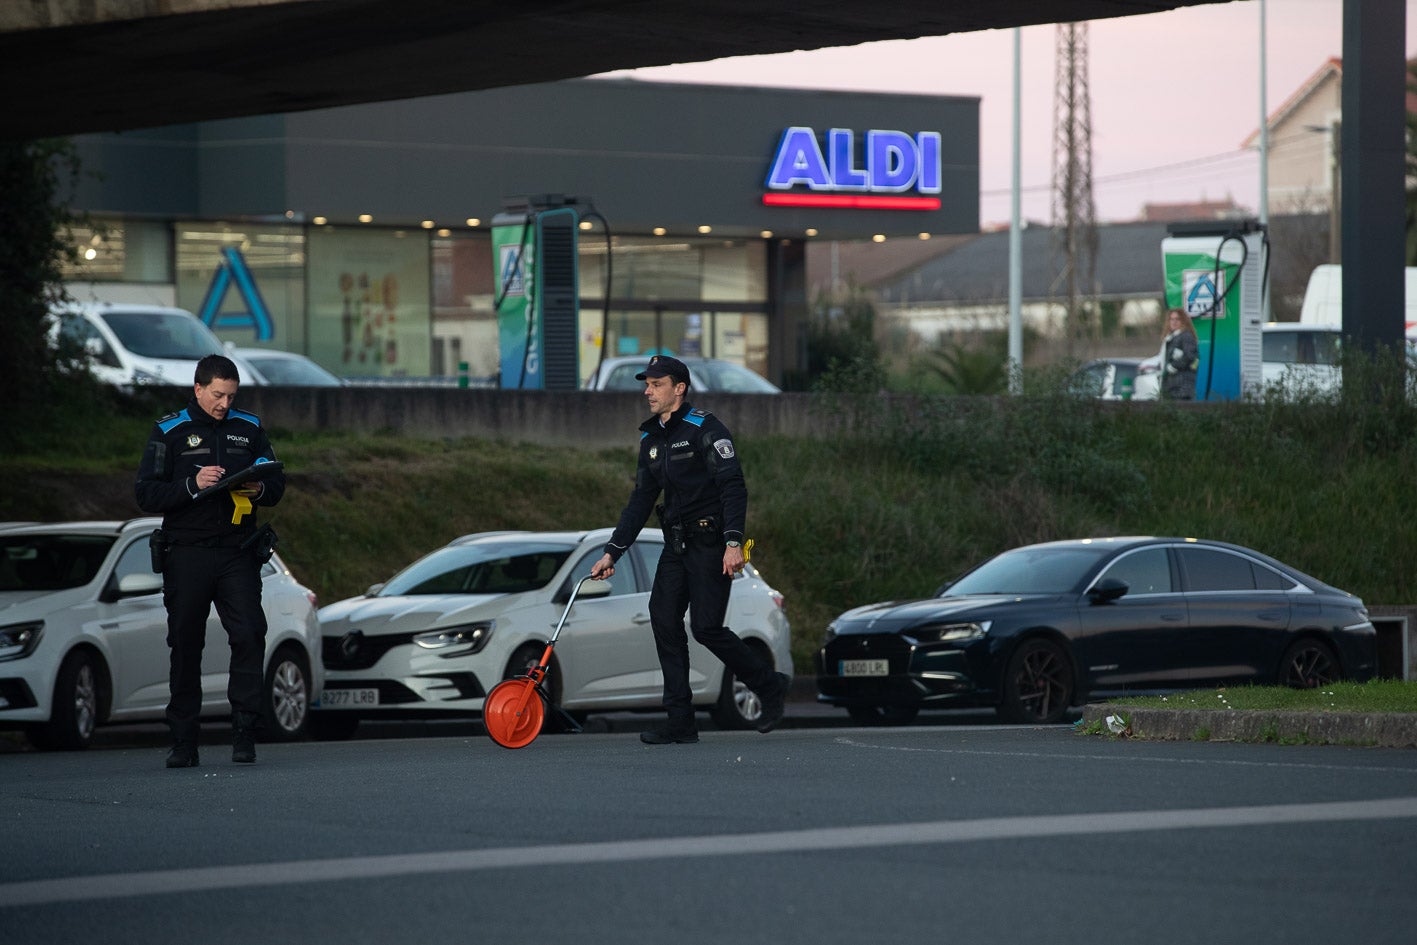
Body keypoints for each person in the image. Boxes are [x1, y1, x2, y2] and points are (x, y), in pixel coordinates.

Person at [589, 354, 790, 744]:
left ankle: (769, 685)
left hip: (712, 543)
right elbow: (641, 500)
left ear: (679, 388)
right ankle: (680, 720)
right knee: (663, 620)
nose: (648, 391)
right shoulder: (651, 438)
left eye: (656, 384)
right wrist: (613, 551)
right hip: (675, 543)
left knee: (706, 628)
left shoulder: (706, 429)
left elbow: (733, 486)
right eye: (646, 384)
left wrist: (734, 542)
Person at [135, 354, 285, 768]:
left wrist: (258, 490)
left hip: (237, 551)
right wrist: (191, 484)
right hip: (187, 552)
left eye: (231, 396)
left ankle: (244, 731)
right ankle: (184, 740)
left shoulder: (249, 428)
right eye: (218, 394)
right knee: (185, 644)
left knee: (250, 633)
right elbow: (146, 493)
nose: (224, 403)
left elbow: (276, 481)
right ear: (198, 389)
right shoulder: (169, 430)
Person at [1160, 307, 1199, 400]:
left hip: (1182, 387)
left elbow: (1190, 357)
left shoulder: (1186, 336)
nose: (1174, 322)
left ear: (1184, 321)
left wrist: (1174, 366)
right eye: (1171, 319)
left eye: (1177, 319)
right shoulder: (1170, 337)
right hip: (1171, 385)